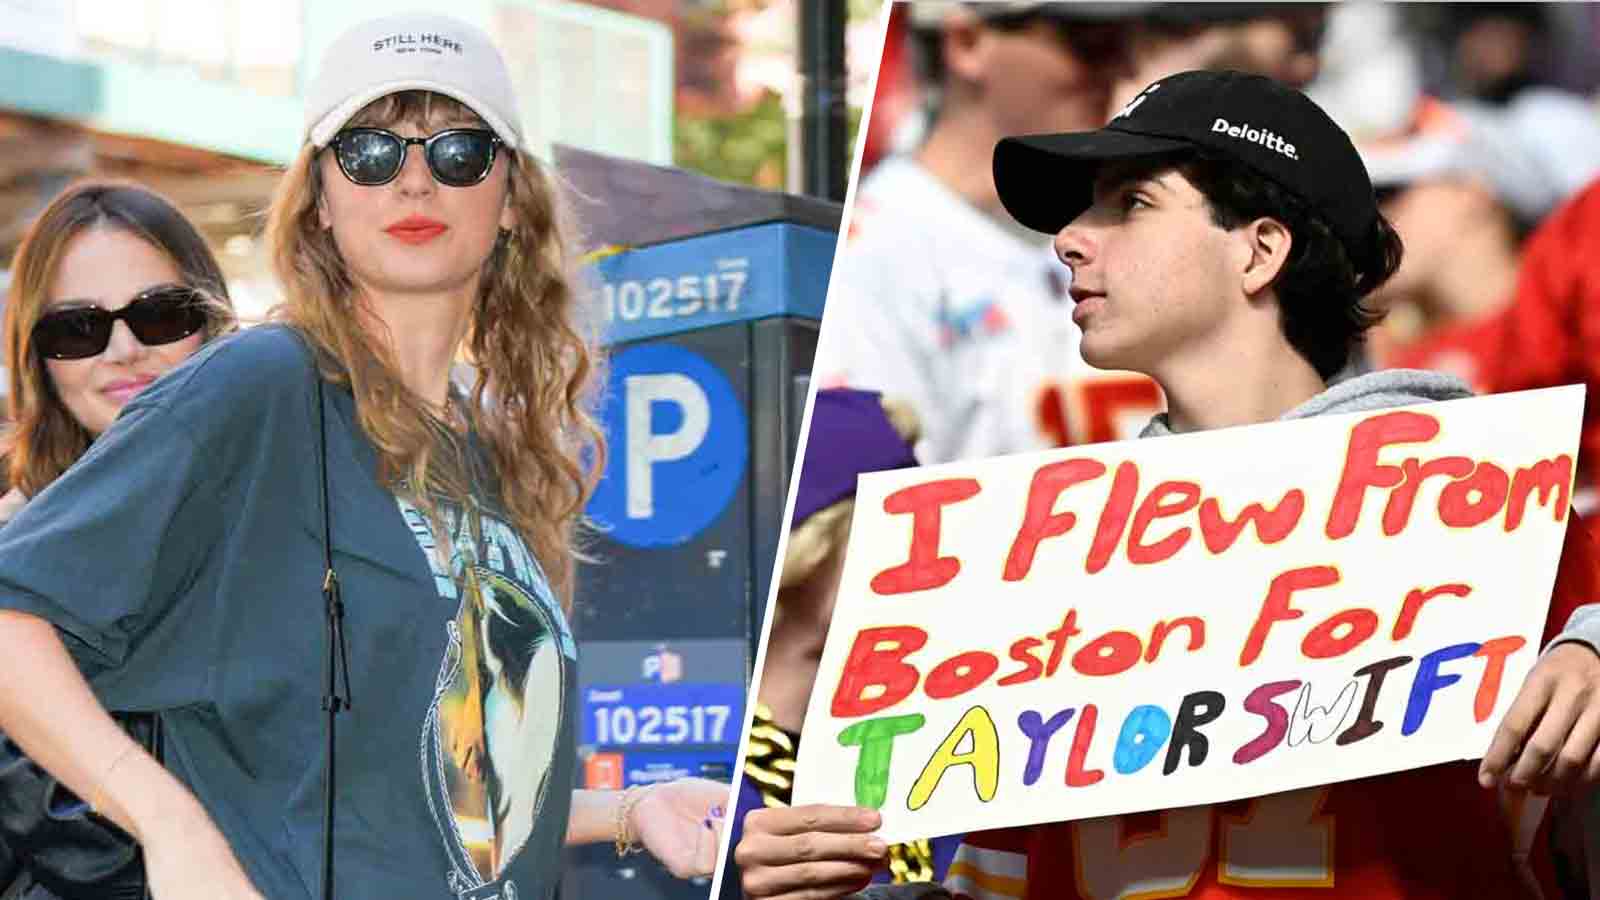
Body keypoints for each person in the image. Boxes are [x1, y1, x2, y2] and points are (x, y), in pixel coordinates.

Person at [741, 70, 1600, 899]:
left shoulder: (1488, 509)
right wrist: (834, 884)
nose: (1071, 238)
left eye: (1132, 204)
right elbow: (996, 883)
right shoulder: (1024, 555)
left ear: (1260, 250)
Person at [0, 13, 725, 900]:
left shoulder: (491, 450)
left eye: (458, 152)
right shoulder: (261, 385)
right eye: (370, 152)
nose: (414, 180)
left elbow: (408, 788)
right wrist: (168, 822)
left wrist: (630, 810)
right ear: (318, 200)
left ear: (510, 202)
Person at [0, 179, 238, 899]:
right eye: (78, 327)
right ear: (37, 356)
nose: (124, 351)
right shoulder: (16, 549)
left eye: (160, 316)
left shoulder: (295, 513)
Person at [814, 2, 1163, 464]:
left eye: (1124, 42)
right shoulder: (872, 255)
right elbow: (874, 511)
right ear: (968, 43)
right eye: (1087, 44)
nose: (1122, 68)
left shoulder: (1149, 221)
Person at [726, 389, 960, 899]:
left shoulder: (951, 750)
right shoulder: (710, 778)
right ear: (807, 546)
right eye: (900, 530)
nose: (928, 563)